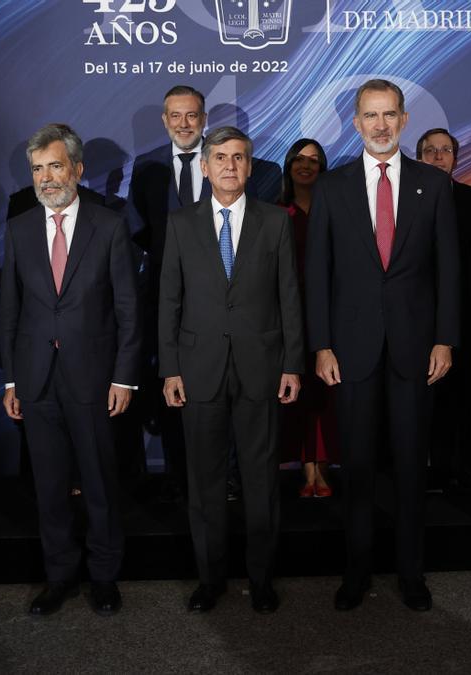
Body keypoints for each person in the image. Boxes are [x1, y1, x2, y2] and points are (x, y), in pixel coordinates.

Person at [305, 79, 461, 612]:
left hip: (417, 350)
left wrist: (445, 337)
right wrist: (321, 345)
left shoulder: (433, 185)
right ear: (355, 123)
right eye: (370, 116)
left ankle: (412, 574)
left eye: (389, 114)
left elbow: (448, 271)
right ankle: (357, 572)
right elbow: (317, 274)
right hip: (351, 352)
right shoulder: (332, 187)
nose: (380, 125)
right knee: (359, 465)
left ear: (404, 120)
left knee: (412, 465)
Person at [159, 127, 305, 614]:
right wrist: (170, 368)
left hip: (261, 369)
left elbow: (290, 297)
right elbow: (169, 302)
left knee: (261, 480)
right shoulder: (180, 224)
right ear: (203, 166)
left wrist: (291, 363)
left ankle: (261, 579)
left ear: (250, 166)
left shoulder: (275, 222)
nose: (228, 166)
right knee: (204, 482)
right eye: (219, 157)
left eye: (238, 158)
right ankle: (210, 579)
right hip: (197, 371)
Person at [0, 123, 141, 617]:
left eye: (55, 166)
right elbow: (10, 310)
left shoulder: (109, 225)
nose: (45, 178)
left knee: (100, 483)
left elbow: (128, 308)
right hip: (36, 379)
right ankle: (58, 577)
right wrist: (13, 378)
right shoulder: (18, 227)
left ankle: (104, 577)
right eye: (37, 169)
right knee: (50, 485)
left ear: (78, 170)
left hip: (96, 379)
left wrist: (124, 376)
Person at [126, 85, 210, 499]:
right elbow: (136, 229)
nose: (183, 123)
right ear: (164, 121)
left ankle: (219, 476)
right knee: (171, 389)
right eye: (175, 116)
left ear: (203, 118)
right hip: (162, 297)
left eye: (191, 115)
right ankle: (179, 478)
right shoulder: (146, 167)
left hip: (217, 298)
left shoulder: (224, 161)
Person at [416, 127, 471, 490]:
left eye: (445, 150)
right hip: (414, 318)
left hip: (461, 317)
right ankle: (421, 469)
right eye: (431, 150)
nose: (438, 156)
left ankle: (458, 469)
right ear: (419, 156)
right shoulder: (401, 197)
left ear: (455, 158)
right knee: (420, 396)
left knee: (459, 395)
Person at [277, 138, 339, 498]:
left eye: (314, 161)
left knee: (328, 393)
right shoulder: (276, 212)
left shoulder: (337, 208)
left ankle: (324, 468)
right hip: (289, 315)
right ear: (288, 166)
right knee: (298, 394)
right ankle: (306, 469)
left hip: (332, 313)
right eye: (299, 159)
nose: (306, 166)